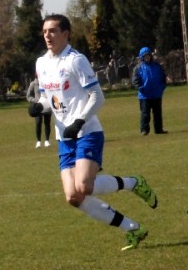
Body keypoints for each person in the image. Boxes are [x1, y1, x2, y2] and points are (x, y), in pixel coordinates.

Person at [34, 14, 157, 251]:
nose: (47, 35)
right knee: (73, 197)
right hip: (64, 137)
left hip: (87, 132)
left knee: (84, 186)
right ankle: (133, 228)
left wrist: (79, 121)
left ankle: (133, 183)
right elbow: (49, 99)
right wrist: (39, 106)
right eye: (45, 31)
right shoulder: (41, 63)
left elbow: (97, 96)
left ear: (65, 34)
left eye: (52, 31)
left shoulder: (76, 60)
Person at [131, 47, 168, 135]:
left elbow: (163, 78)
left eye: (148, 55)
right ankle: (144, 130)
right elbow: (135, 80)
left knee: (157, 113)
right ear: (141, 57)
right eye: (145, 56)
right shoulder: (138, 68)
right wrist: (140, 88)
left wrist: (162, 87)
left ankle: (158, 129)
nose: (147, 57)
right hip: (144, 95)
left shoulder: (157, 66)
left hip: (157, 94)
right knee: (145, 114)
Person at [26, 78, 51, 148]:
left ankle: (47, 140)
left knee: (47, 122)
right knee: (38, 122)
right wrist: (35, 100)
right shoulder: (33, 84)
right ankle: (38, 141)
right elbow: (28, 96)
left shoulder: (47, 82)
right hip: (38, 107)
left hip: (47, 105)